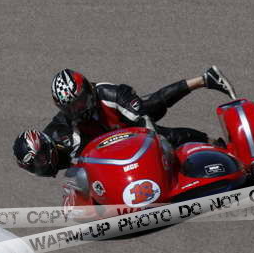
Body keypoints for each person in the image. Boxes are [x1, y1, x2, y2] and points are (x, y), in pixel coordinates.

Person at [13, 66, 236, 176]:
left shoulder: (110, 94)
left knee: (159, 125)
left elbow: (145, 124)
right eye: (70, 107)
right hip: (111, 142)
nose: (77, 110)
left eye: (79, 103)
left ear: (87, 91)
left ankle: (213, 139)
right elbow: (58, 147)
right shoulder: (63, 127)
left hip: (129, 124)